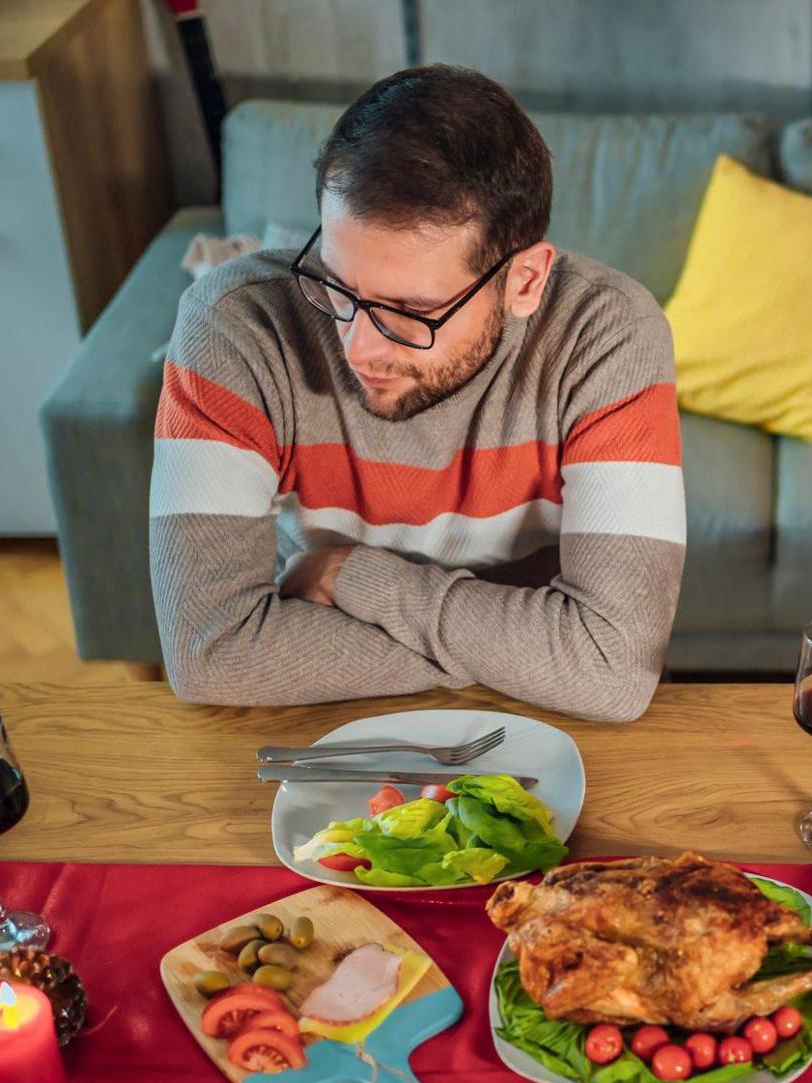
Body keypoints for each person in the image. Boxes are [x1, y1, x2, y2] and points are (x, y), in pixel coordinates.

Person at [150, 66, 684, 721]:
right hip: (316, 706)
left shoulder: (609, 334)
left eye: (411, 311)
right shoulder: (235, 325)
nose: (358, 347)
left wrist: (359, 577)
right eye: (339, 285)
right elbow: (213, 653)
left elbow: (611, 670)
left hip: (527, 718)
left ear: (524, 280)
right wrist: (533, 654)